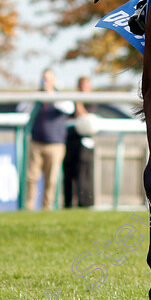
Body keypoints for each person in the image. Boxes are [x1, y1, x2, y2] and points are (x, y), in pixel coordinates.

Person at [22, 69, 75, 211]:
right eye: (43, 78)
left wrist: (49, 94)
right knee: (31, 178)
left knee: (51, 180)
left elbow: (69, 108)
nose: (45, 81)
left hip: (55, 144)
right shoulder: (36, 96)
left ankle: (47, 207)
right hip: (36, 142)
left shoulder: (61, 97)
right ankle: (28, 208)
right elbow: (22, 108)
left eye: (48, 79)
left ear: (54, 81)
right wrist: (37, 96)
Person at [63, 76, 95, 208]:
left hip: (85, 143)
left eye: (86, 85)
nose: (83, 88)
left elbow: (84, 116)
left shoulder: (92, 101)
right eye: (82, 86)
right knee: (68, 172)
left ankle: (84, 203)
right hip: (71, 141)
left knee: (83, 174)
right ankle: (68, 203)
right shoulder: (71, 100)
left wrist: (79, 103)